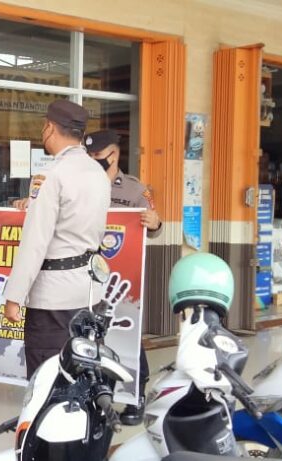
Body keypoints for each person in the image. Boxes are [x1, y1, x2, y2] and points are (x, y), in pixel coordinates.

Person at [2, 99, 111, 378]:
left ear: (49, 128)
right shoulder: (97, 172)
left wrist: (14, 296)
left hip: (53, 299)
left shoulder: (51, 175)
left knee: (47, 379)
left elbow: (35, 241)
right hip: (89, 291)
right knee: (83, 373)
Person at [83, 129, 160, 425]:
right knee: (88, 332)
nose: (93, 160)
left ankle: (135, 393)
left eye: (97, 155)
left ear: (113, 155)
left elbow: (154, 228)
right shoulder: (80, 184)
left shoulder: (134, 190)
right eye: (89, 155)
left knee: (124, 333)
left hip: (121, 278)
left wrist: (155, 223)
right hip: (84, 271)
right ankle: (96, 392)